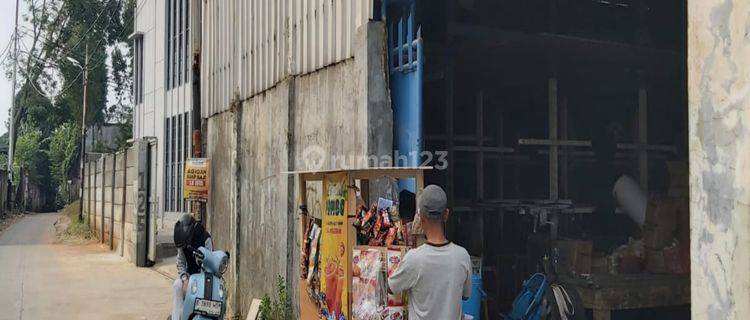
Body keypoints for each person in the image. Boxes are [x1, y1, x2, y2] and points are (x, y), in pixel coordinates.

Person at [388, 185, 473, 320]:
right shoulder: (462, 256)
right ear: (446, 214)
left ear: (420, 217)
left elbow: (391, 288)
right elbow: (466, 295)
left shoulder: (413, 259)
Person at [171, 214, 213, 320]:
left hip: (204, 277)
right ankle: (176, 317)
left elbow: (211, 262)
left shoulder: (205, 238)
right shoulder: (181, 240)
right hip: (189, 277)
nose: (183, 248)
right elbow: (180, 262)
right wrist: (185, 279)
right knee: (177, 285)